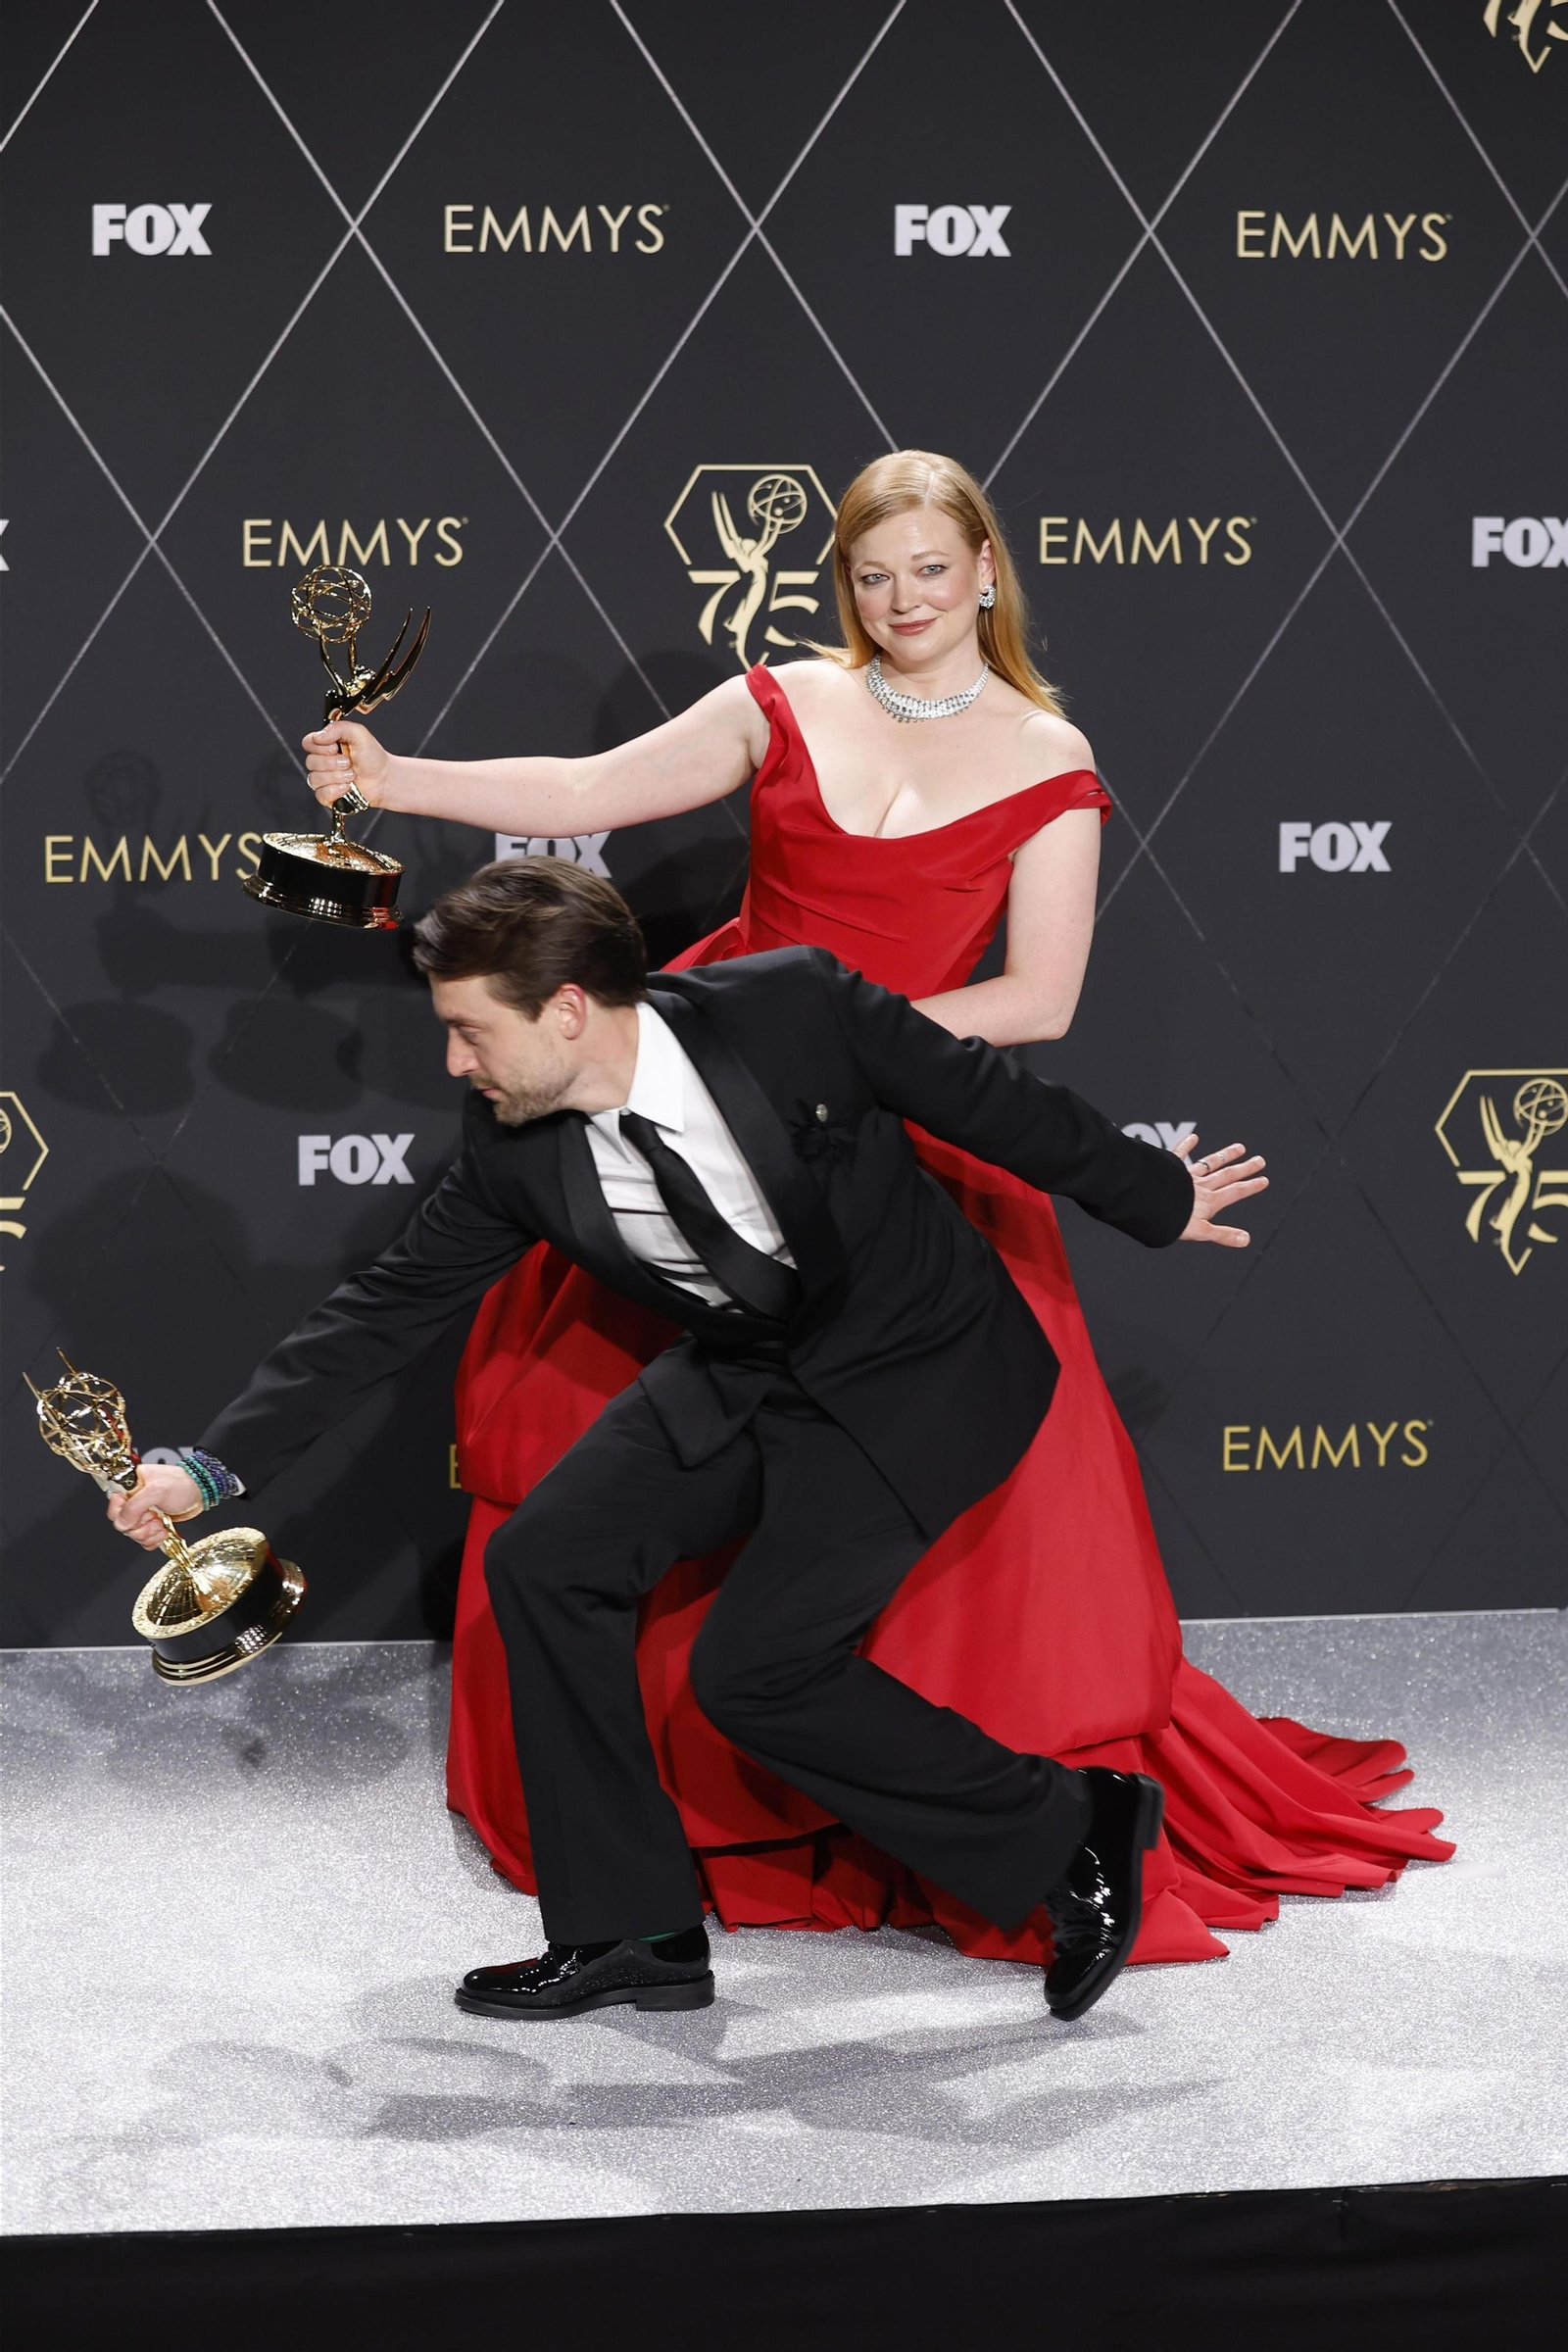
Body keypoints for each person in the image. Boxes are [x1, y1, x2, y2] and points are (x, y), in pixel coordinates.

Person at [299, 451, 1453, 1965]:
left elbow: (1038, 1000)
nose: (900, 602)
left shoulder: (1050, 755)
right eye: (870, 574)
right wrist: (398, 781)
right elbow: (584, 797)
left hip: (918, 1139)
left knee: (933, 1497)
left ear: (986, 570)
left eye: (928, 569)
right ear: (840, 584)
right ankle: (650, 1861)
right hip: (707, 1119)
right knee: (604, 1485)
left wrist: (843, 1046)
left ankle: (986, 1813)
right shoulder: (780, 702)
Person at [111, 857, 1267, 2022]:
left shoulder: (790, 1009)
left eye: (469, 1031)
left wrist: (1155, 1199)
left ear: (566, 1008)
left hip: (913, 1373)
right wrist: (208, 1467)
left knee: (755, 1676)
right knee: (543, 1559)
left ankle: (1075, 1828)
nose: (455, 1062)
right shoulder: (511, 1137)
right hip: (745, 1364)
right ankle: (635, 1930)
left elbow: (988, 1103)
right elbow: (386, 1306)